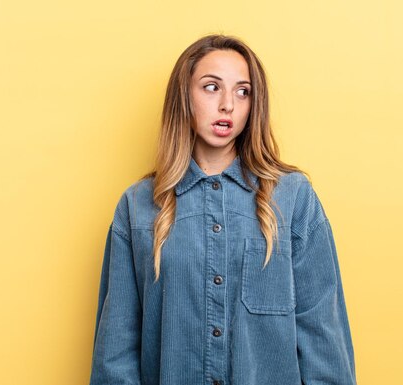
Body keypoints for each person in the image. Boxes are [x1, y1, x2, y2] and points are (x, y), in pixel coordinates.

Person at [88, 34, 356, 385]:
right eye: (211, 87)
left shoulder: (293, 199)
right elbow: (116, 354)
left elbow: (323, 337)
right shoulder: (137, 207)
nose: (228, 104)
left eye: (242, 91)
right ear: (183, 97)